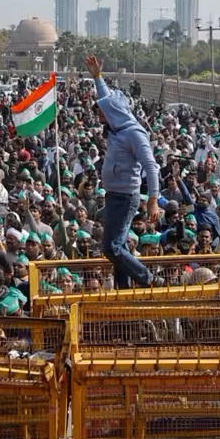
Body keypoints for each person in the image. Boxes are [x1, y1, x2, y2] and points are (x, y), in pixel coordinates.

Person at [83, 55, 162, 288]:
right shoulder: (117, 124)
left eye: (101, 112)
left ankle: (149, 279)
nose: (98, 114)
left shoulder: (134, 134)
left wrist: (154, 200)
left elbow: (151, 166)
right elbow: (107, 98)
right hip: (113, 195)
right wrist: (97, 76)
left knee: (111, 247)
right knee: (116, 246)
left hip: (126, 197)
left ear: (112, 114)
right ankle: (123, 287)